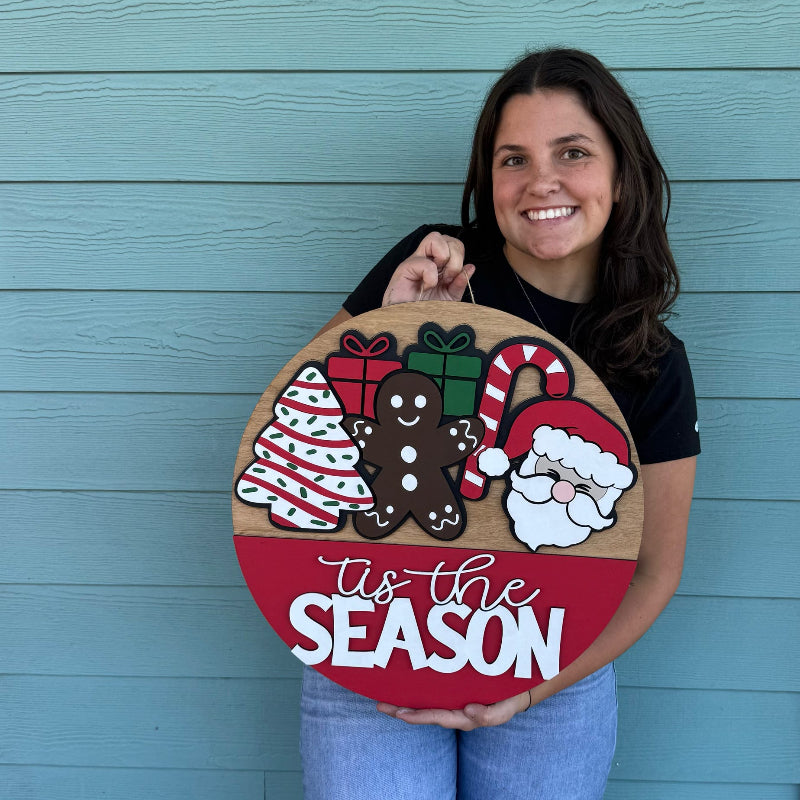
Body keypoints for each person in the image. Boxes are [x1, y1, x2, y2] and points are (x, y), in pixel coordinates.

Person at [301, 48, 700, 800]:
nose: (542, 181)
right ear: (490, 180)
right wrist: (396, 324)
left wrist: (535, 690)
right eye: (514, 158)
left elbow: (652, 573)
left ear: (622, 173)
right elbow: (301, 433)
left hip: (553, 668)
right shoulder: (432, 272)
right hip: (370, 641)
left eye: (573, 153)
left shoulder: (650, 361)